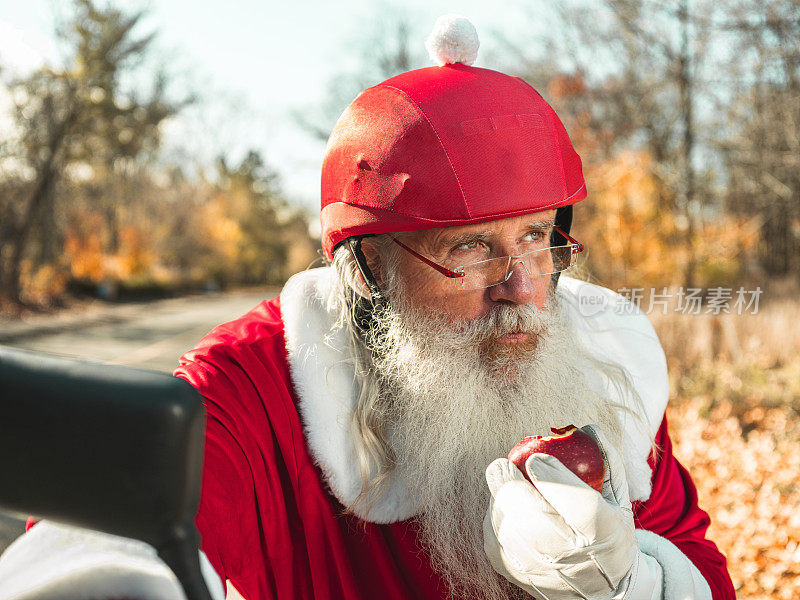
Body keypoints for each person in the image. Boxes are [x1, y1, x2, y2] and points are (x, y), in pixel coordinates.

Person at [0, 15, 734, 600]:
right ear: (368, 267)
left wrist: (627, 579)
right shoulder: (257, 386)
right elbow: (119, 525)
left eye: (537, 238)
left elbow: (701, 565)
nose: (522, 289)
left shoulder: (600, 359)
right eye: (471, 248)